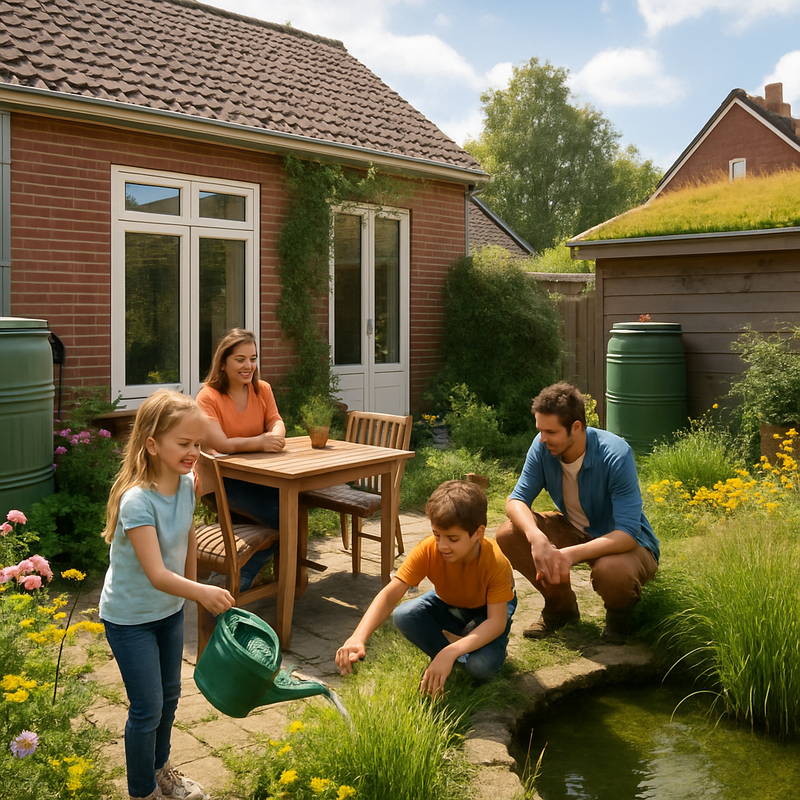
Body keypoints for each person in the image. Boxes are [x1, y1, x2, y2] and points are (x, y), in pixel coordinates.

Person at [99, 390, 235, 800]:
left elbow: (188, 536)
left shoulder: (185, 485)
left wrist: (190, 594)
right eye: (184, 443)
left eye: (197, 444)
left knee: (170, 697)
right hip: (129, 619)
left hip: (168, 611)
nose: (194, 451)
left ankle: (161, 773)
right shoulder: (137, 502)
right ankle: (141, 792)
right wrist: (201, 591)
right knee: (147, 708)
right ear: (152, 444)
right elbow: (157, 573)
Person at [495, 382, 659, 644]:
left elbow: (628, 533)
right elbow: (516, 500)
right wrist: (537, 538)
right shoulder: (542, 447)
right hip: (574, 528)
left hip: (625, 543)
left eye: (551, 431)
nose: (542, 439)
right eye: (539, 430)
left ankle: (619, 617)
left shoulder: (615, 454)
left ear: (577, 427)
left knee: (612, 570)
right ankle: (561, 609)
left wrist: (566, 555)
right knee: (510, 533)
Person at [335, 480, 516, 696]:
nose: (442, 546)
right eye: (437, 534)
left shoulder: (495, 561)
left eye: (453, 538)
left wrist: (450, 651)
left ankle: (460, 649)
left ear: (478, 533)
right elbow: (390, 594)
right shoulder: (429, 549)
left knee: (481, 668)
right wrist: (358, 637)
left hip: (488, 610)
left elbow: (496, 621)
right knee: (404, 615)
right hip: (449, 601)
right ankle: (456, 651)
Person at [195, 328, 286, 590]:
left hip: (261, 477)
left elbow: (276, 420)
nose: (249, 366)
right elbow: (219, 443)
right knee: (285, 517)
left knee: (293, 510)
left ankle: (237, 573)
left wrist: (276, 434)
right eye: (240, 359)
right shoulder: (208, 396)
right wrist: (261, 441)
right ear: (223, 363)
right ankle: (236, 578)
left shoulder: (263, 389)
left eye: (253, 358)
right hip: (220, 483)